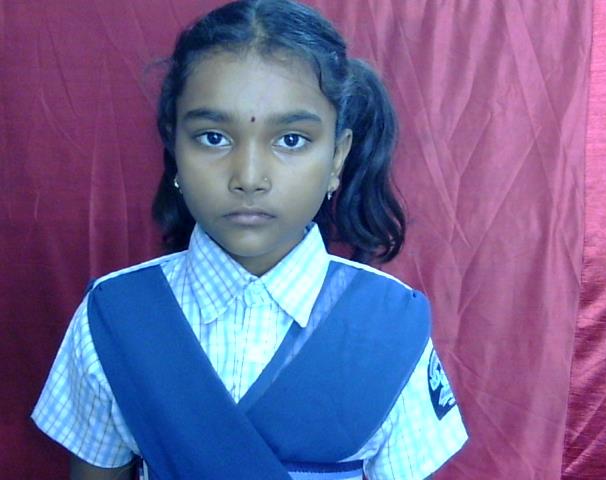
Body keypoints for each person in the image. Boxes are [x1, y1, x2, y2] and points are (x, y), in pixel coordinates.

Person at [32, 0, 467, 478]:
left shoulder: (389, 327)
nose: (249, 177)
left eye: (291, 140)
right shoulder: (116, 317)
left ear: (337, 158)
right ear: (174, 147)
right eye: (213, 137)